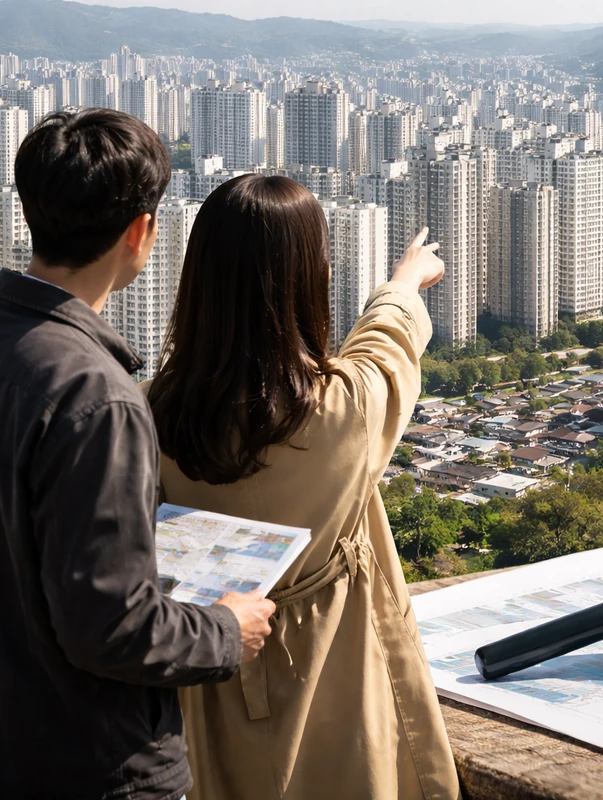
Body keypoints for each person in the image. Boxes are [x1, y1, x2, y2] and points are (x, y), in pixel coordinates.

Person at [0, 108, 277, 800]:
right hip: (81, 767)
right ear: (140, 232)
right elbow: (112, 625)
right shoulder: (99, 397)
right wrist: (225, 631)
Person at [145, 174, 462, 800]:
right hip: (336, 671)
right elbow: (386, 343)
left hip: (211, 670)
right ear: (307, 278)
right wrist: (403, 280)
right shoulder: (345, 408)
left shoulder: (146, 414)